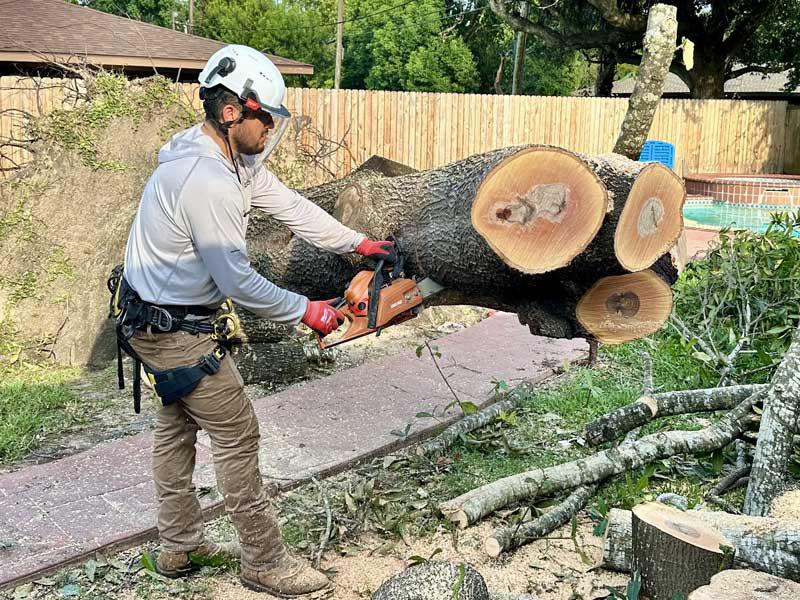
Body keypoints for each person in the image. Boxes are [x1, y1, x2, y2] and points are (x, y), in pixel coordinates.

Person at [118, 44, 396, 596]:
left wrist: (357, 242)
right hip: (171, 328)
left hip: (153, 318)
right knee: (238, 434)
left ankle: (179, 545)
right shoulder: (207, 181)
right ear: (231, 113)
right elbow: (238, 283)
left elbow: (294, 208)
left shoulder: (231, 163)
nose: (271, 128)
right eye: (265, 116)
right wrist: (307, 310)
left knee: (177, 425)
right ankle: (265, 561)